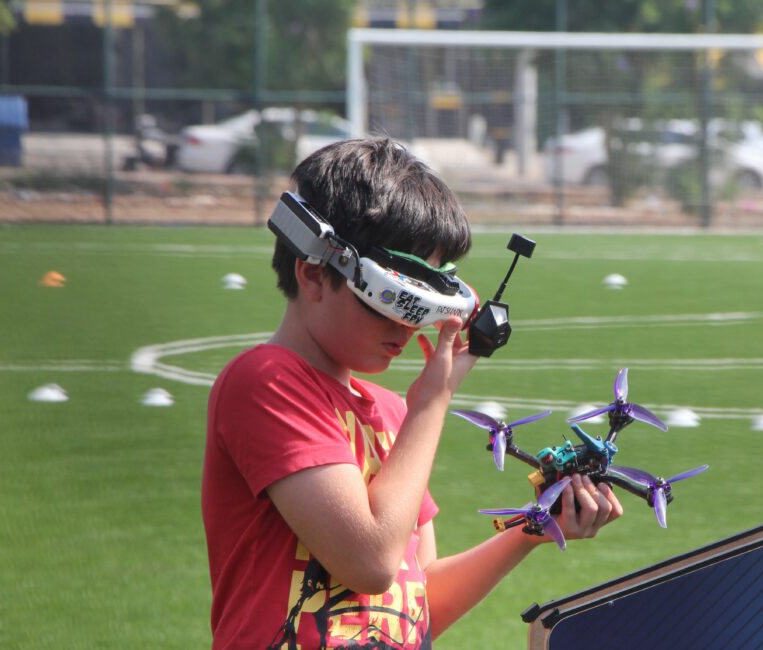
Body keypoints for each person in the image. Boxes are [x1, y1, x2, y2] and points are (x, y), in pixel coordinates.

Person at [201, 137, 623, 650]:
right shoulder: (265, 381)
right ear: (313, 274)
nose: (406, 328)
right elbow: (370, 562)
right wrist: (432, 401)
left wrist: (534, 526)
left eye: (419, 308)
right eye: (389, 302)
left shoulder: (392, 409)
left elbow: (413, 603)